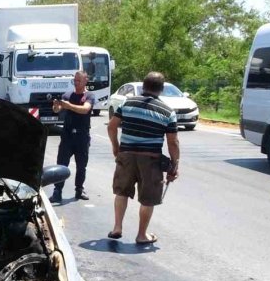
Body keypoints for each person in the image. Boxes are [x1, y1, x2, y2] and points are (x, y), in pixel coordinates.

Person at [107, 71, 180, 245]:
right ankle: (141, 235)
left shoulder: (127, 103)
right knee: (148, 198)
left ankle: (117, 227)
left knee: (121, 192)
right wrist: (174, 165)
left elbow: (111, 127)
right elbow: (173, 142)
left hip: (126, 156)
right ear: (161, 89)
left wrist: (116, 148)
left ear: (144, 86)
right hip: (151, 160)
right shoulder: (167, 112)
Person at [49, 71, 96, 204]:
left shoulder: (89, 96)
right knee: (62, 164)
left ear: (85, 81)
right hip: (67, 135)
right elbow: (57, 110)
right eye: (75, 80)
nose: (76, 83)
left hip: (82, 136)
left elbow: (85, 109)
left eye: (79, 81)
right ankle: (57, 191)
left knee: (81, 166)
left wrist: (68, 105)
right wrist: (56, 106)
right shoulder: (67, 95)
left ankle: (79, 190)